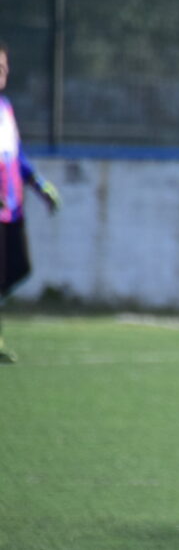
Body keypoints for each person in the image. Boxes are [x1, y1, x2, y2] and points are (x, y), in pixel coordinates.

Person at [0, 41, 61, 363]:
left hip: (12, 208)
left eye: (4, 66)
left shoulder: (5, 108)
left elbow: (17, 155)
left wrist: (39, 184)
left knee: (20, 268)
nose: (2, 72)